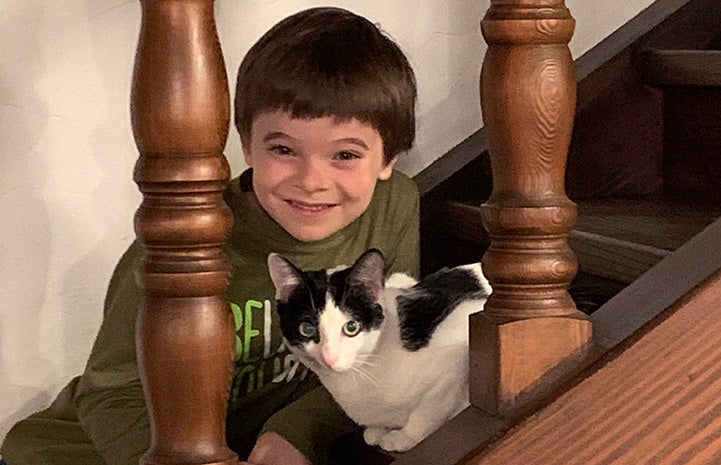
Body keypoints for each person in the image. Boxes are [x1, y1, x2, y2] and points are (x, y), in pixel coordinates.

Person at [1, 6, 419, 465]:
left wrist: (298, 429)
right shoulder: (182, 238)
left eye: (344, 155)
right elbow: (112, 394)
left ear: (388, 158)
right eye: (282, 149)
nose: (311, 179)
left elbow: (384, 351)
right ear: (245, 143)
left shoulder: (393, 206)